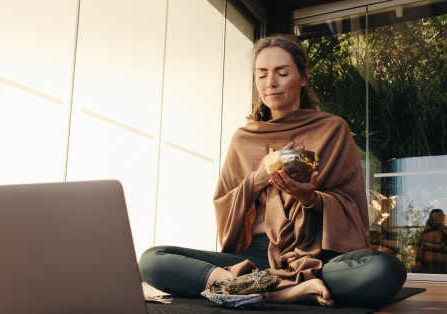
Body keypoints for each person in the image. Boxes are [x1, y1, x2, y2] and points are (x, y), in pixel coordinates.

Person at [138, 34, 406, 307]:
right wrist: (257, 179)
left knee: (384, 270)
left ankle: (245, 287)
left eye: (282, 73)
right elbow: (224, 204)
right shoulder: (243, 138)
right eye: (262, 75)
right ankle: (282, 292)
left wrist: (309, 198)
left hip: (313, 255)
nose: (271, 83)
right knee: (153, 260)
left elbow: (351, 204)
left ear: (303, 77)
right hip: (253, 256)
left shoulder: (332, 129)